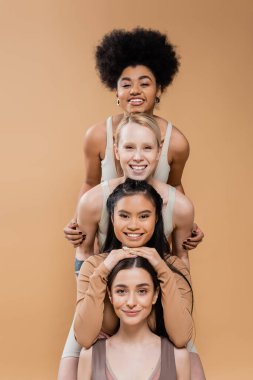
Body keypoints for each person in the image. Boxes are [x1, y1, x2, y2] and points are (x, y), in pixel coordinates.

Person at [58, 114, 205, 379]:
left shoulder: (178, 208)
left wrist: (161, 265)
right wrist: (102, 272)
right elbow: (84, 253)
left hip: (159, 302)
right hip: (104, 290)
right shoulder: (95, 202)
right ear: (116, 151)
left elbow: (182, 333)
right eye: (129, 147)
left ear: (160, 151)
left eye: (147, 147)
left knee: (189, 361)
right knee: (73, 364)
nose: (134, 225)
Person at [63, 27, 204, 250]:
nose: (135, 90)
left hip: (154, 246)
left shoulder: (176, 142)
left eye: (145, 83)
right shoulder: (98, 135)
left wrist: (187, 224)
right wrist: (77, 220)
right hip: (107, 245)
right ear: (116, 92)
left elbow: (174, 185)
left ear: (159, 89)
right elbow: (90, 182)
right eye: (126, 84)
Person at [77, 256, 191, 380]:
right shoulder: (89, 356)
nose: (131, 302)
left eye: (142, 291)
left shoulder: (178, 356)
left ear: (155, 294)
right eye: (121, 291)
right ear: (110, 295)